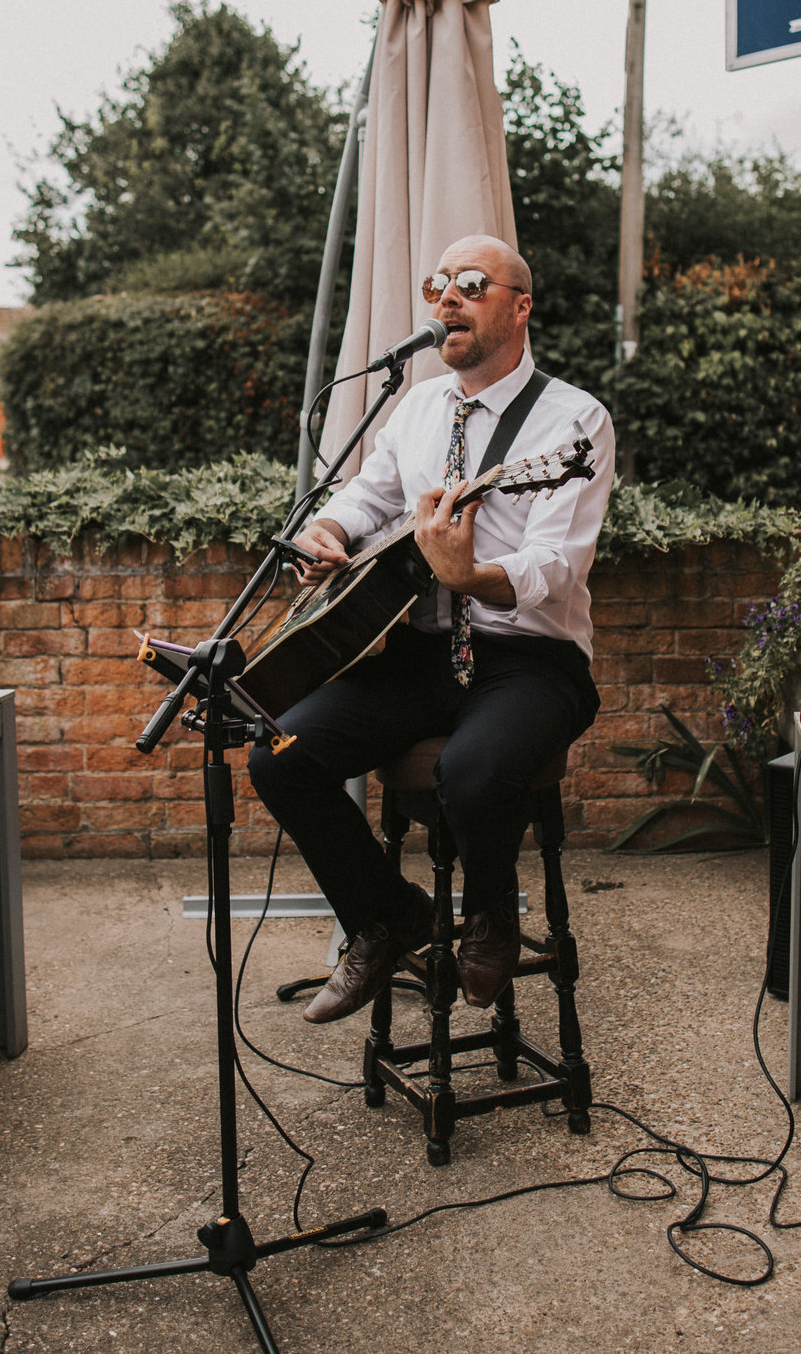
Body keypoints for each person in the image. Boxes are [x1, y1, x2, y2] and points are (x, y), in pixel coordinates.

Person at [248, 233, 615, 1025]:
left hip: (530, 658)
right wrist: (331, 534)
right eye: (437, 284)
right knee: (280, 755)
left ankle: (490, 918)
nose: (448, 297)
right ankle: (386, 917)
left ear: (519, 307)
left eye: (472, 283)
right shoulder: (414, 407)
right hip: (421, 652)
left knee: (473, 773)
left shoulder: (573, 421)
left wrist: (474, 575)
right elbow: (366, 496)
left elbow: (557, 565)